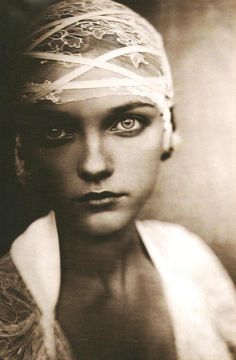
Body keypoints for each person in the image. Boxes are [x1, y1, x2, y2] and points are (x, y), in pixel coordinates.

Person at [0, 0, 236, 359]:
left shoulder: (189, 257)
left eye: (127, 122)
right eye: (56, 130)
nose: (95, 165)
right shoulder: (8, 305)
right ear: (25, 148)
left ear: (169, 128)